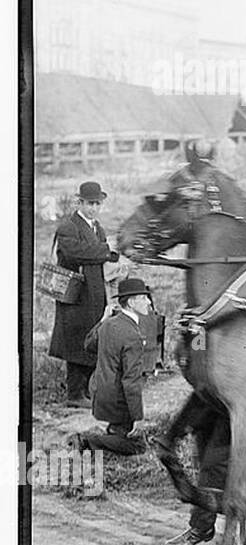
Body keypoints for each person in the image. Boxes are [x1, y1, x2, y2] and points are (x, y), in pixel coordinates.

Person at [49, 181, 120, 407]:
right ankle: (74, 394)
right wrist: (107, 252)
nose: (94, 208)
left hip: (95, 291)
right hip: (75, 293)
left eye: (97, 204)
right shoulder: (68, 226)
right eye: (90, 203)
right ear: (79, 202)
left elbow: (95, 255)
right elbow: (75, 253)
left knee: (92, 337)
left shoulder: (97, 227)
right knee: (74, 339)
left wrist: (110, 257)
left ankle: (86, 392)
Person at [76, 277, 154, 456]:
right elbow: (131, 381)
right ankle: (89, 441)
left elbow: (88, 345)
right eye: (144, 298)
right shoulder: (132, 335)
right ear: (132, 302)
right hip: (116, 400)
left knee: (124, 434)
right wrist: (138, 417)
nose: (148, 302)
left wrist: (103, 319)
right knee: (138, 447)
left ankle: (114, 430)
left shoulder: (109, 324)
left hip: (98, 392)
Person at [163, 395, 230, 545]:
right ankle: (203, 525)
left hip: (237, 401)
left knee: (214, 463)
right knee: (203, 450)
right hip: (214, 397)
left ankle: (202, 525)